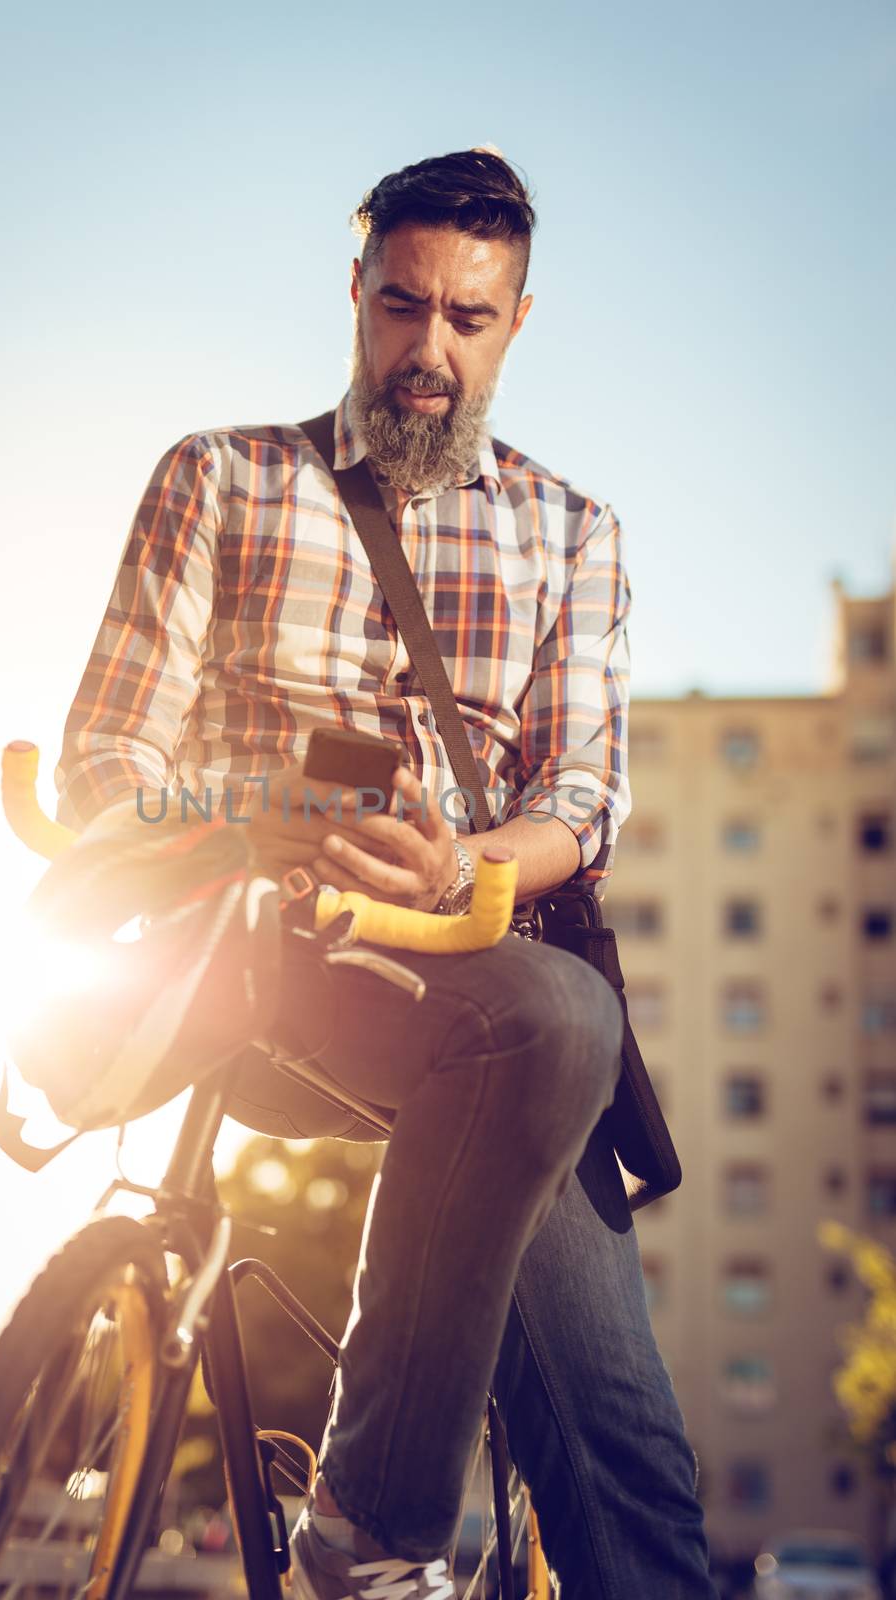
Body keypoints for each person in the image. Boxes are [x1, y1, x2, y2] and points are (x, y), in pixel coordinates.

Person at [55, 149, 719, 1600]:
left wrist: (464, 861)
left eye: (466, 320)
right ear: (355, 292)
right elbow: (101, 759)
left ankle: (397, 1521)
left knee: (629, 1464)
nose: (427, 354)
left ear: (516, 321)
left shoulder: (575, 534)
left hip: (480, 980)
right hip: (250, 951)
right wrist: (258, 819)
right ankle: (369, 1530)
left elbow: (582, 797)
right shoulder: (220, 477)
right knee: (548, 1024)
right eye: (400, 307)